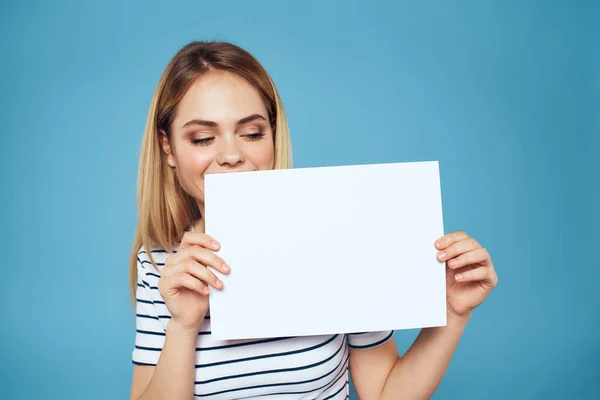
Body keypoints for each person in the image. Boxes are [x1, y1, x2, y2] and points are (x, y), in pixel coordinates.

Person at [128, 40, 499, 400]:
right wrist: (183, 325)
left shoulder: (338, 234)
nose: (230, 154)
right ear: (168, 148)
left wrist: (453, 312)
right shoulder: (161, 264)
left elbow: (384, 393)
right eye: (204, 138)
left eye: (252, 133)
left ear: (273, 135)